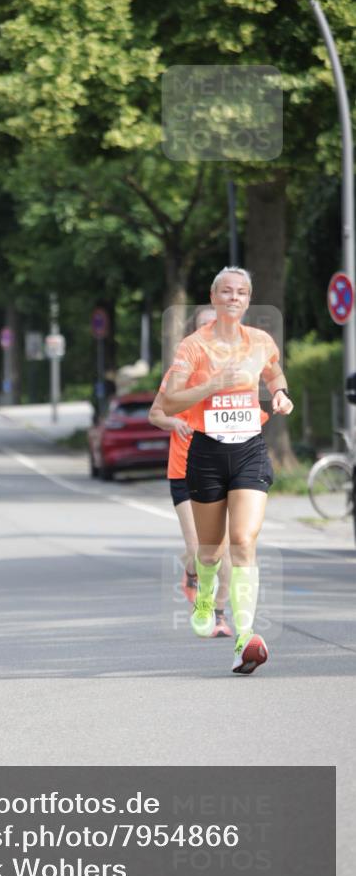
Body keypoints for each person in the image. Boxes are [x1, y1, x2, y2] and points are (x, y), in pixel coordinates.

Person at [162, 267, 294, 674]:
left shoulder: (260, 341)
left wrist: (281, 394)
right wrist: (214, 383)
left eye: (241, 292)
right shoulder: (193, 347)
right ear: (214, 297)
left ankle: (245, 636)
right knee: (210, 549)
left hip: (250, 450)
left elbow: (273, 371)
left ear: (248, 300)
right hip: (206, 452)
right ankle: (204, 596)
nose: (233, 297)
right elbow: (168, 403)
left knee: (243, 540)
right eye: (226, 291)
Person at [149, 305, 232, 638]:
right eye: (203, 327)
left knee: (223, 547)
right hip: (184, 469)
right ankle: (199, 589)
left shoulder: (237, 373)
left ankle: (220, 612)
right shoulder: (180, 373)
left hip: (225, 467)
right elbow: (156, 413)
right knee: (202, 546)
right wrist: (174, 422)